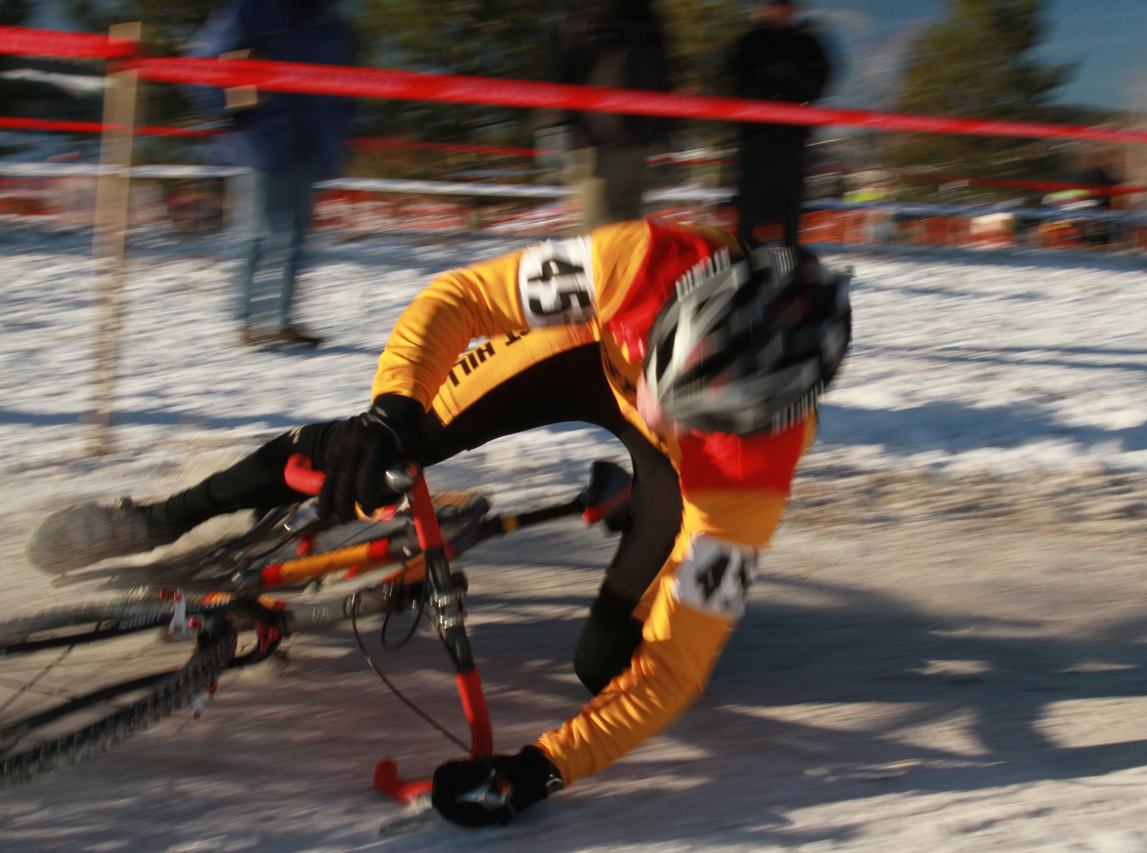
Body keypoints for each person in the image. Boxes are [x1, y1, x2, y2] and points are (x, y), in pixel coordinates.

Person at [27, 218, 851, 828]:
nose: (649, 405)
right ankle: (160, 518)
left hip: (678, 465)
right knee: (379, 445)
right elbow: (460, 296)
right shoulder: (639, 261)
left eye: (680, 411)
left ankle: (637, 497)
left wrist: (541, 768)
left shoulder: (749, 478)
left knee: (608, 666)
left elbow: (672, 674)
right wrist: (389, 412)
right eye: (655, 373)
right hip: (580, 347)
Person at [187, 0, 357, 348]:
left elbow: (346, 83)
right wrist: (231, 109)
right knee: (255, 235)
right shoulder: (249, 8)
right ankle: (247, 320)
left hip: (310, 143)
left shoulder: (325, 18)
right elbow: (203, 63)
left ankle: (280, 320)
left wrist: (338, 137)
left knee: (293, 236)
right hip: (261, 141)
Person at [548, 0, 673, 228]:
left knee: (628, 232)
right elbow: (565, 73)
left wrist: (664, 134)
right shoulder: (587, 16)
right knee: (596, 235)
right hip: (595, 146)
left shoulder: (647, 19)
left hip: (637, 142)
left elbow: (663, 78)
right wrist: (564, 133)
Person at [730, 0, 831, 247]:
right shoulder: (751, 42)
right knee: (750, 205)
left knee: (791, 207)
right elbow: (739, 84)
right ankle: (745, 254)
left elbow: (819, 82)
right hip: (756, 137)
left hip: (792, 140)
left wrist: (789, 79)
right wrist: (777, 86)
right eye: (776, 6)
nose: (781, 12)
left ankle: (790, 256)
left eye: (787, 7)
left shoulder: (807, 43)